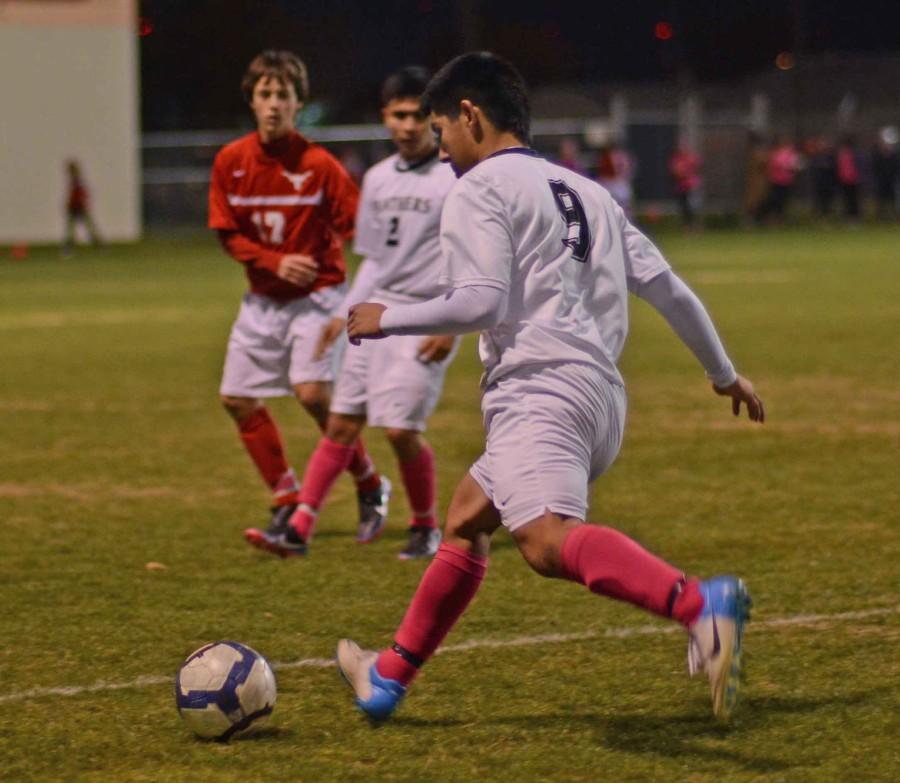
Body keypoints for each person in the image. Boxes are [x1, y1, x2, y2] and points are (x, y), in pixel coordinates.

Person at [336, 52, 763, 724]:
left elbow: (479, 300)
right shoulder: (589, 191)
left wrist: (385, 317)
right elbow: (668, 289)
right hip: (599, 399)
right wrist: (722, 372)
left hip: (539, 389)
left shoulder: (477, 188)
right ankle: (387, 676)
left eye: (441, 129)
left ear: (470, 116)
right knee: (469, 517)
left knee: (542, 539)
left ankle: (697, 604)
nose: (442, 149)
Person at [245, 66, 458, 559]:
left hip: (427, 314)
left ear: (434, 118)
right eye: (398, 115)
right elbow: (375, 261)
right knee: (342, 423)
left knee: (401, 429)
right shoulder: (379, 179)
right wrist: (340, 316)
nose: (407, 125)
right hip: (375, 316)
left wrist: (451, 327)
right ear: (385, 117)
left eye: (417, 115)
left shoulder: (454, 179)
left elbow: (475, 258)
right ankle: (298, 529)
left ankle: (425, 525)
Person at [208, 50, 388, 547]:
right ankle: (286, 499)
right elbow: (227, 234)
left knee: (311, 393)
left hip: (318, 298)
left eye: (282, 96)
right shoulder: (232, 162)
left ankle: (370, 483)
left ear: (298, 103)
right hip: (263, 301)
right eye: (264, 95)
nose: (272, 105)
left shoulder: (318, 166)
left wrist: (370, 289)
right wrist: (273, 261)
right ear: (252, 101)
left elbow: (361, 233)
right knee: (237, 399)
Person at [62, 159, 102, 257]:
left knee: (87, 228)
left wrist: (80, 203)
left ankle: (99, 247)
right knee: (72, 229)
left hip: (79, 207)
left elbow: (82, 194)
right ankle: (69, 249)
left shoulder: (78, 181)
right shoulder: (74, 181)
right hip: (74, 208)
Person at [669, 142, 702, 228]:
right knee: (684, 207)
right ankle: (687, 225)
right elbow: (676, 172)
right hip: (681, 188)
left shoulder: (691, 158)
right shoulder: (676, 160)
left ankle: (695, 224)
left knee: (693, 206)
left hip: (691, 186)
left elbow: (698, 167)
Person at [872, 127, 899, 221]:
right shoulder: (877, 155)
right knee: (880, 200)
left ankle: (895, 217)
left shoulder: (895, 155)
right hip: (881, 181)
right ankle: (880, 218)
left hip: (893, 180)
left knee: (894, 200)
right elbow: (874, 168)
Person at [836, 135, 864, 224]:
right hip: (844, 180)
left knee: (854, 200)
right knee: (846, 200)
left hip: (854, 180)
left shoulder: (855, 154)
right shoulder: (841, 154)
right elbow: (839, 168)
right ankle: (847, 218)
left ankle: (855, 218)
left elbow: (859, 167)